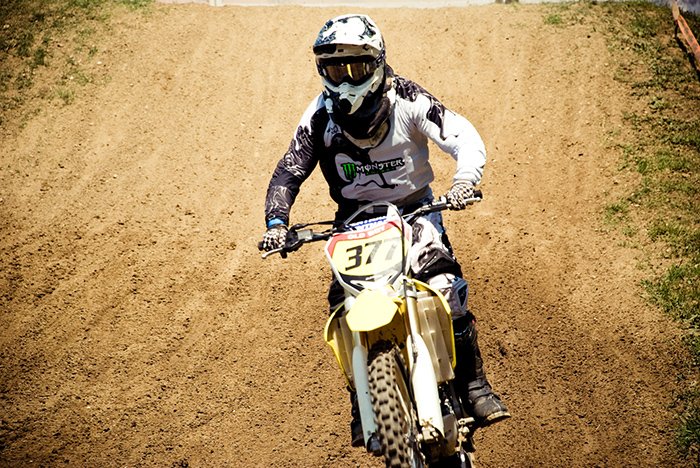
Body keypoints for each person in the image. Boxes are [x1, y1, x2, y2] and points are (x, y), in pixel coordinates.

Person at [260, 13, 510, 449]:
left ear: (377, 63)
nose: (345, 79)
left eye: (355, 67)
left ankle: (474, 385)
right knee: (342, 307)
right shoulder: (319, 116)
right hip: (356, 222)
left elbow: (461, 135)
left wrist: (464, 180)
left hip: (416, 211)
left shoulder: (408, 98)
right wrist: (277, 224)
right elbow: (289, 171)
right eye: (335, 68)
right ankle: (362, 401)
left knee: (445, 286)